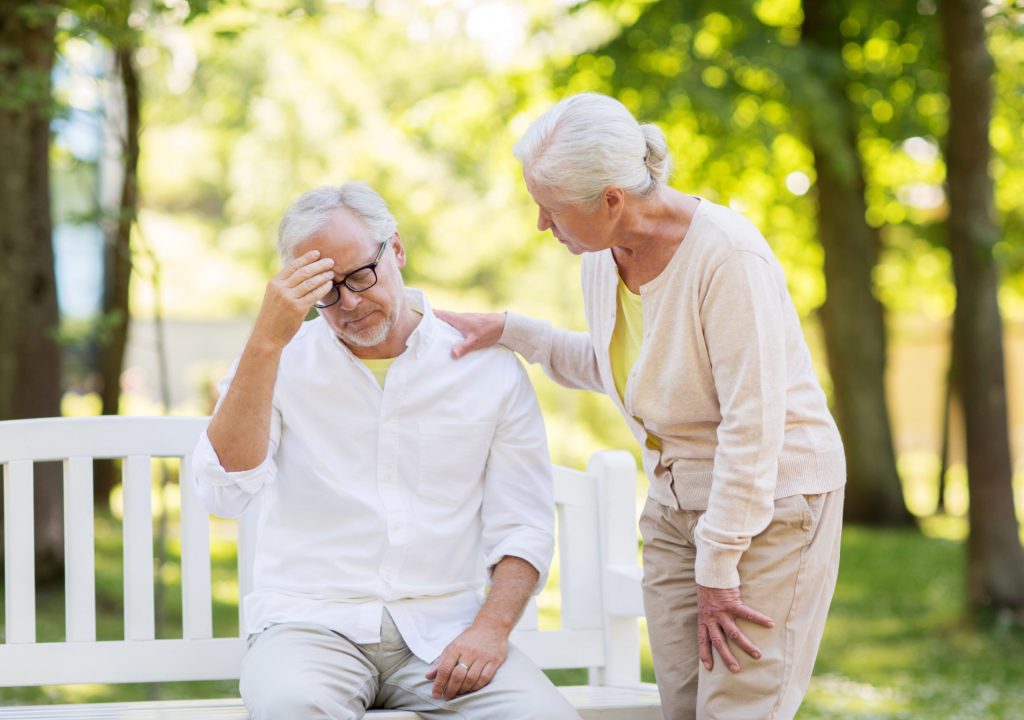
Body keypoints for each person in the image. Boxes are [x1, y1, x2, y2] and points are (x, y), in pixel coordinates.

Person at [438, 93, 846, 720]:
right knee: (683, 707)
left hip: (769, 505)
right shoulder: (605, 256)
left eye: (551, 210)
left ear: (611, 200)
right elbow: (628, 369)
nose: (542, 226)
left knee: (736, 709)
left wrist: (720, 563)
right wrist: (510, 330)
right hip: (675, 505)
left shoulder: (727, 257)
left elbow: (752, 423)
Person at [192, 182, 580, 720]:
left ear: (395, 249)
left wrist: (490, 631)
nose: (348, 303)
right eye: (324, 291)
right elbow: (223, 492)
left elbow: (524, 526)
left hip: (446, 633)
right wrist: (264, 341)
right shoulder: (278, 360)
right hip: (311, 628)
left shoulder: (485, 368)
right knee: (291, 711)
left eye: (359, 276)